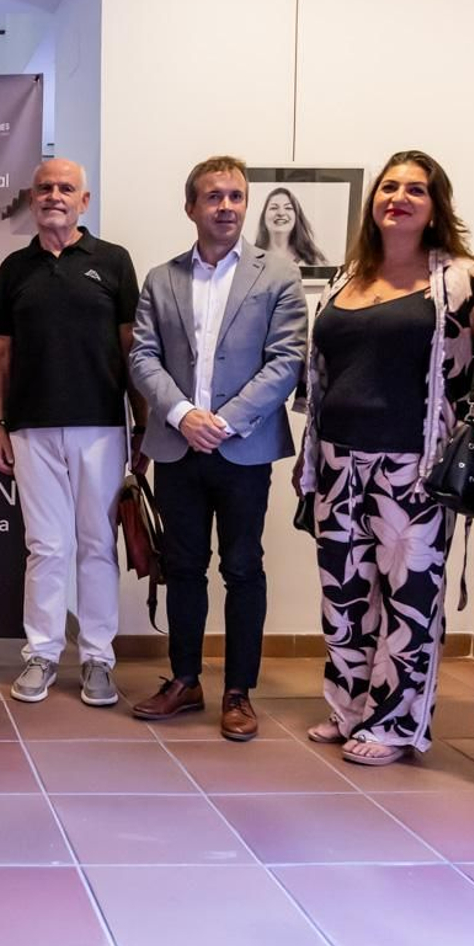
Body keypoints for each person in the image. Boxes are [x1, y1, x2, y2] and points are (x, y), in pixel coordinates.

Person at [294, 151, 474, 765]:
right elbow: (323, 370)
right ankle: (349, 707)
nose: (398, 198)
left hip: (414, 466)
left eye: (416, 190)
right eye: (390, 187)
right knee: (344, 594)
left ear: (436, 207)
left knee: (409, 600)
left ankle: (396, 724)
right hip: (336, 460)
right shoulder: (346, 277)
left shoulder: (459, 281)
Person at [129, 156, 308, 740]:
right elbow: (142, 356)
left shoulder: (277, 275)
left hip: (243, 449)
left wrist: (225, 422)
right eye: (213, 196)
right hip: (177, 447)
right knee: (182, 567)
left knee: (242, 568)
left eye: (235, 196)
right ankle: (184, 680)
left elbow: (286, 361)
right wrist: (183, 416)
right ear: (191, 207)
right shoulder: (161, 278)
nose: (226, 206)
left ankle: (238, 691)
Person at [0, 158, 144, 707]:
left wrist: (142, 425)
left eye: (65, 188)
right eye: (45, 188)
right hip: (30, 429)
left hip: (100, 427)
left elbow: (131, 349)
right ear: (33, 199)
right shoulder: (14, 268)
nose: (54, 195)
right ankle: (42, 654)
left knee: (98, 545)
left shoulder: (113, 261)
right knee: (46, 547)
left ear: (84, 200)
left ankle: (98, 657)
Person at [254, 186, 329, 268]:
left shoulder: (313, 260)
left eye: (288, 208)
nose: (281, 213)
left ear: (297, 216)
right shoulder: (251, 258)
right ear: (264, 216)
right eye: (274, 208)